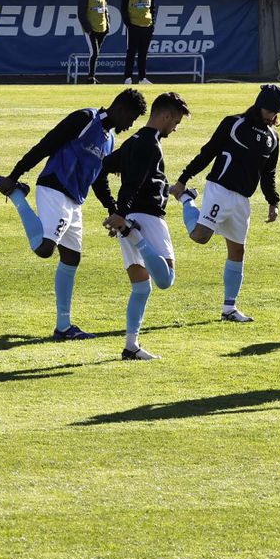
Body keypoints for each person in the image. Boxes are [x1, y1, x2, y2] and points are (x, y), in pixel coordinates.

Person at [0, 89, 146, 341]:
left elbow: (98, 180)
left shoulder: (109, 139)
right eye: (132, 118)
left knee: (71, 258)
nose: (130, 125)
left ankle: (63, 327)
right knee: (45, 249)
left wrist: (112, 208)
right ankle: (18, 197)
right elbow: (46, 144)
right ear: (121, 108)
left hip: (74, 201)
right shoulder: (85, 118)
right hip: (54, 188)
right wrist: (15, 176)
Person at [171, 84, 280, 324]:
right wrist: (183, 178)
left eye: (275, 111)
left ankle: (229, 308)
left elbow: (269, 173)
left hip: (243, 200)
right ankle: (187, 199)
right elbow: (208, 152)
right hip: (220, 190)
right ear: (258, 104)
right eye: (268, 108)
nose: (271, 114)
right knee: (200, 236)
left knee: (238, 251)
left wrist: (273, 201)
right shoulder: (234, 123)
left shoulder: (273, 138)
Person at [93, 91, 188, 361]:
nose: (175, 127)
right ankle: (134, 236)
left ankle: (131, 346)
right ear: (166, 115)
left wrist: (114, 209)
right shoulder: (150, 144)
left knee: (141, 288)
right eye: (176, 121)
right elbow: (135, 181)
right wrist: (122, 218)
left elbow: (99, 170)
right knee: (166, 279)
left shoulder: (132, 142)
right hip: (145, 219)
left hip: (131, 217)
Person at [118, 0, 155, 86]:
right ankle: (128, 77)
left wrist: (152, 23)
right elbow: (123, 8)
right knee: (131, 52)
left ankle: (142, 78)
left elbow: (152, 8)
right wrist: (128, 24)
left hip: (147, 26)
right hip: (133, 25)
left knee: (143, 53)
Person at [77, 0, 109, 81]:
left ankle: (93, 76)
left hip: (102, 29)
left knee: (96, 54)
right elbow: (81, 13)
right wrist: (88, 29)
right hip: (91, 30)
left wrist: (107, 25)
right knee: (94, 53)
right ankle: (91, 77)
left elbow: (105, 10)